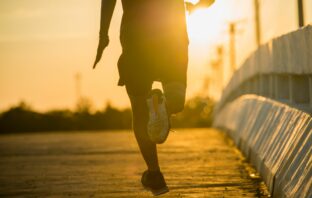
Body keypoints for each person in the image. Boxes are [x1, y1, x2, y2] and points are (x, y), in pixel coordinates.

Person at [93, 0, 213, 196]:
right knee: (176, 99)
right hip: (172, 37)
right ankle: (165, 105)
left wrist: (103, 35)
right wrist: (198, 6)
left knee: (140, 109)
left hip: (136, 37)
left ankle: (155, 176)